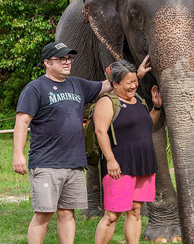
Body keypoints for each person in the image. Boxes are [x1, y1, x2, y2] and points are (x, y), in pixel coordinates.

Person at [12, 41, 150, 244]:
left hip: (75, 163)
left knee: (67, 213)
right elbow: (22, 121)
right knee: (43, 214)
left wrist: (135, 75)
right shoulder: (35, 88)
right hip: (46, 162)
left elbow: (109, 85)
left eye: (69, 58)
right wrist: (18, 153)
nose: (67, 62)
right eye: (61, 59)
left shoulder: (77, 84)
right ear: (47, 63)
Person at [93, 60, 162, 244]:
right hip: (120, 165)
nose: (134, 86)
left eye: (135, 82)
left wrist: (156, 107)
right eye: (129, 83)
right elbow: (100, 132)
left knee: (135, 211)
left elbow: (146, 125)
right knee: (112, 215)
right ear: (115, 84)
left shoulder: (139, 100)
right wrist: (110, 160)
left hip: (143, 164)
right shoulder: (107, 102)